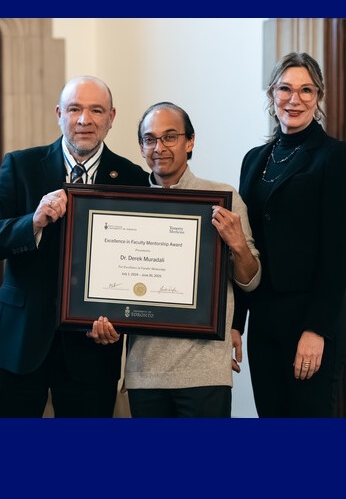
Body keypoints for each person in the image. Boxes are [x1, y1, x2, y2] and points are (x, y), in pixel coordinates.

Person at [0, 76, 149, 418]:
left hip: (92, 349)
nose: (85, 120)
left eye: (96, 110)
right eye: (75, 109)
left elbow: (138, 263)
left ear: (111, 117)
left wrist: (121, 323)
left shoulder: (133, 179)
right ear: (59, 114)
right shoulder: (20, 166)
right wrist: (31, 222)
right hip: (18, 343)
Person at [90, 101, 261, 417]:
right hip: (145, 371)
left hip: (205, 370)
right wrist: (100, 316)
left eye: (170, 137)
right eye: (150, 139)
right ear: (141, 148)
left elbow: (251, 280)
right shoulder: (127, 204)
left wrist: (238, 245)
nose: (159, 147)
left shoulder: (222, 199)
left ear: (190, 141)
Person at [233, 52, 346, 417]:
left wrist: (316, 330)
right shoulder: (254, 158)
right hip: (265, 318)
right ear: (272, 94)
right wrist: (235, 322)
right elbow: (245, 245)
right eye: (285, 89)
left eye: (307, 90)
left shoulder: (336, 157)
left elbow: (339, 253)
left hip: (311, 319)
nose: (295, 99)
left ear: (319, 97)